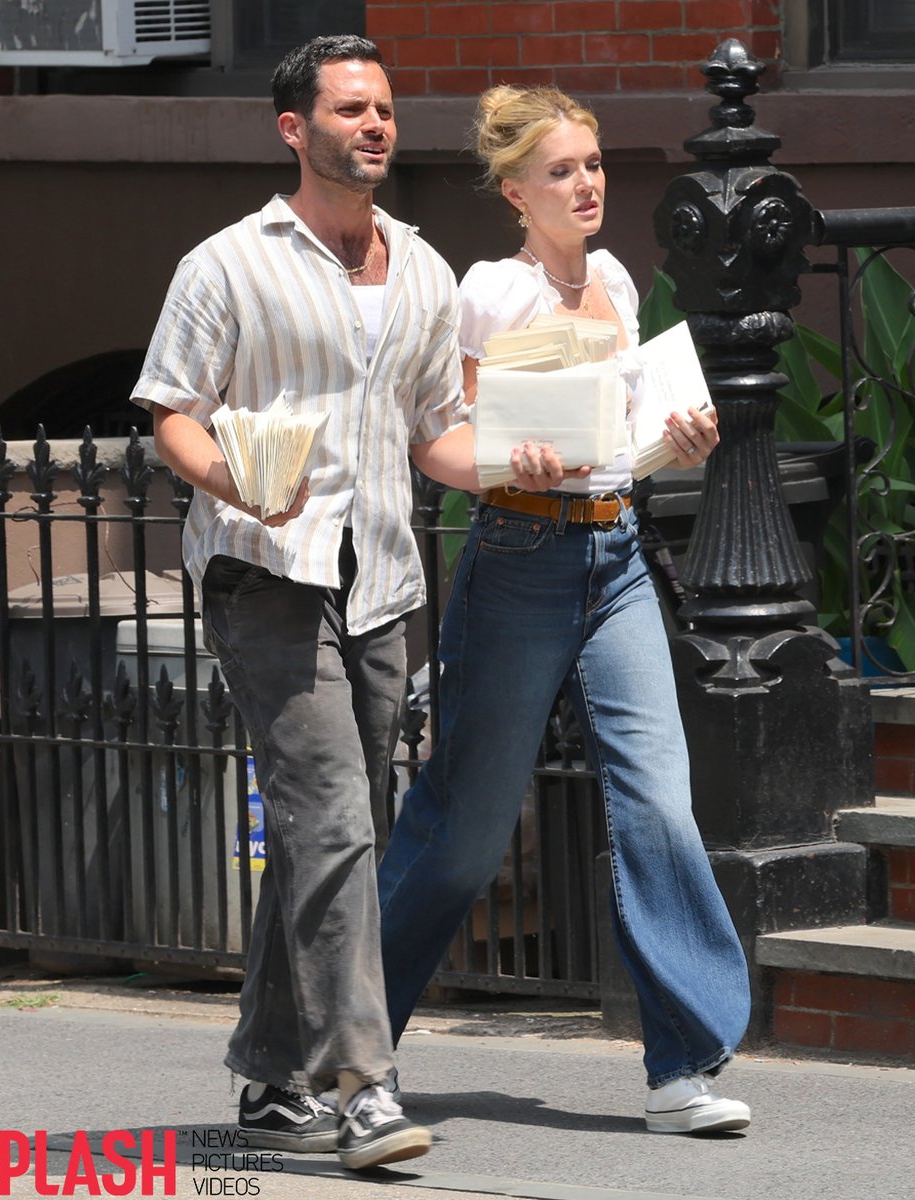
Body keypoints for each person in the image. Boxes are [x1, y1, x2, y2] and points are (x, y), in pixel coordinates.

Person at [132, 41, 578, 1172]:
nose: (376, 123)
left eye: (384, 108)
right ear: (295, 128)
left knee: (334, 830)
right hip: (264, 571)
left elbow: (436, 437)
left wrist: (521, 463)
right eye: (351, 108)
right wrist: (231, 477)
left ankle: (274, 1072)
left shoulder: (423, 271)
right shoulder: (228, 264)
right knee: (330, 818)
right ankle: (362, 1084)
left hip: (378, 577)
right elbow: (173, 410)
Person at [377, 84, 754, 1135]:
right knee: (465, 831)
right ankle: (344, 1049)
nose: (586, 184)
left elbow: (623, 434)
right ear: (515, 191)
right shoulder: (491, 294)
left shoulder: (621, 280)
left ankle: (681, 1067)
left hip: (619, 551)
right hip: (520, 558)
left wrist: (676, 441)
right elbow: (438, 442)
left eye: (592, 165)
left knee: (659, 805)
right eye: (561, 171)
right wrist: (505, 462)